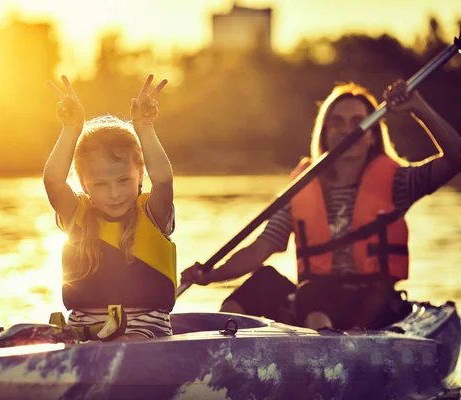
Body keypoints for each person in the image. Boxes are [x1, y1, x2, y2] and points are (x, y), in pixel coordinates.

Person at [181, 79, 461, 331]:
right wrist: (211, 275)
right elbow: (259, 250)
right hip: (312, 301)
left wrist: (419, 108)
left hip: (372, 306)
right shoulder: (300, 188)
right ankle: (223, 344)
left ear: (372, 134)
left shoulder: (398, 182)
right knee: (264, 281)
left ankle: (325, 355)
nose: (346, 130)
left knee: (315, 293)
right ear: (325, 133)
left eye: (357, 122)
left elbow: (456, 159)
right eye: (337, 122)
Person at [43, 74, 177, 341]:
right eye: (101, 184)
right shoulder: (76, 214)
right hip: (83, 330)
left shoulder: (152, 214)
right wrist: (71, 128)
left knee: (125, 344)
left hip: (145, 332)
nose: (114, 194)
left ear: (140, 175)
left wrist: (145, 127)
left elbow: (163, 179)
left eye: (124, 180)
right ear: (84, 183)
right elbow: (53, 181)